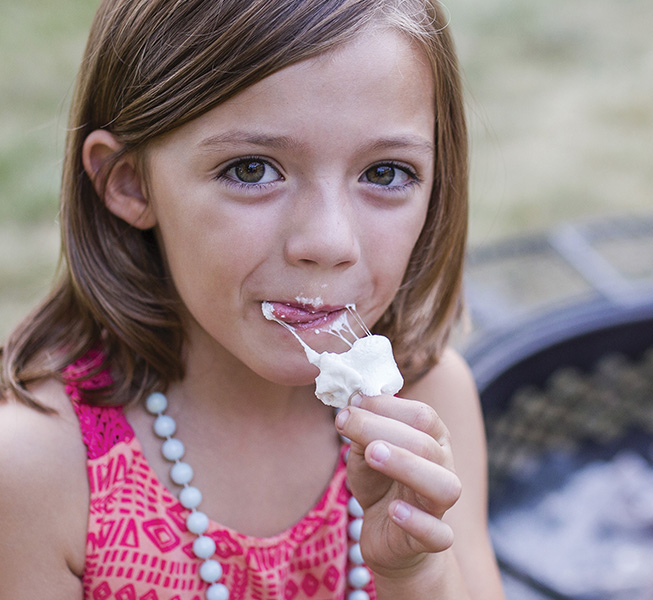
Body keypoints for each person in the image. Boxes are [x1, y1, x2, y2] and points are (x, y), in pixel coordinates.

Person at [0, 0, 504, 598]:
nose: (328, 242)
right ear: (130, 181)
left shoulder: (428, 403)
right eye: (251, 170)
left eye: (386, 173)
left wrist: (415, 574)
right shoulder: (39, 472)